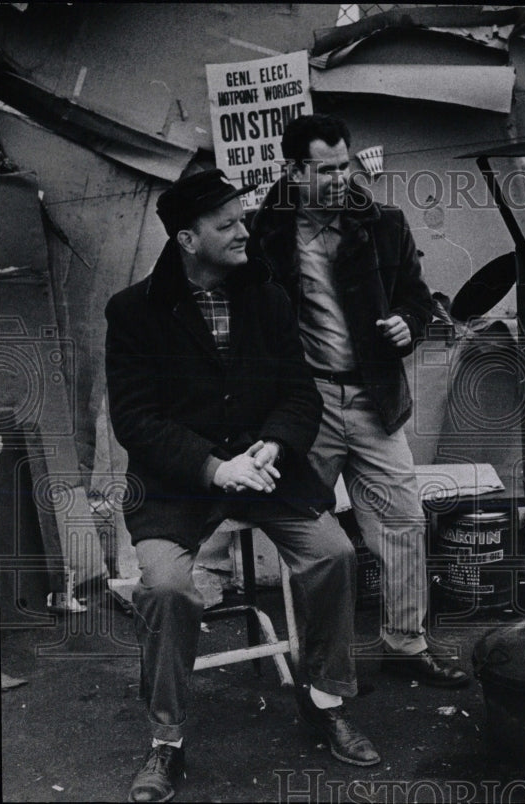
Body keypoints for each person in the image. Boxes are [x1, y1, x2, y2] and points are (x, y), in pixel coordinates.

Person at [106, 170, 380, 803]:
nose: (242, 232)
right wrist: (212, 467)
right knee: (169, 589)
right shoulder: (133, 311)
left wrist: (276, 444)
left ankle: (324, 697)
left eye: (242, 219)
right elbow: (135, 421)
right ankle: (166, 741)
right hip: (178, 484)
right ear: (186, 237)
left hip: (266, 470)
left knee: (334, 555)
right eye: (226, 224)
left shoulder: (268, 297)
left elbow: (299, 394)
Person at [248, 114, 468, 687]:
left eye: (344, 165)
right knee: (309, 530)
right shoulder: (262, 234)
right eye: (325, 170)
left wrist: (408, 325)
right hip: (305, 401)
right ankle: (325, 660)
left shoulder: (384, 224)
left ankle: (405, 643)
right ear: (294, 171)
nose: (340, 179)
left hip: (374, 394)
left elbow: (419, 300)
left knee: (402, 518)